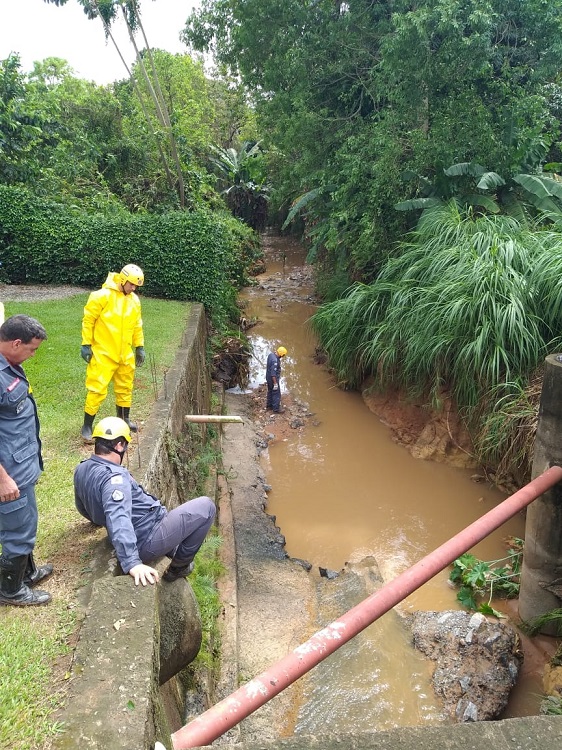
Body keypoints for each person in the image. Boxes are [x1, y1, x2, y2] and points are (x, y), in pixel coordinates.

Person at [74, 417, 216, 585]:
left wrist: (98, 520)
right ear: (119, 445)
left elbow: (82, 507)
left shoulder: (82, 468)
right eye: (125, 445)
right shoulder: (115, 481)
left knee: (183, 526)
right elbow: (118, 517)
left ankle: (175, 550)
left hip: (146, 525)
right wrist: (132, 562)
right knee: (206, 507)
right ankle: (179, 567)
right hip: (147, 536)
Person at [0, 315, 52, 606]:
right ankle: (10, 590)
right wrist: (3, 478)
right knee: (17, 529)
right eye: (32, 349)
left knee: (26, 520)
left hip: (21, 463)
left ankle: (26, 573)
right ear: (16, 342)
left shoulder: (9, 367)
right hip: (9, 472)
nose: (33, 355)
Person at [80, 263, 146, 441]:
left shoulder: (134, 301)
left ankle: (124, 419)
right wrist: (86, 344)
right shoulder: (101, 296)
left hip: (125, 353)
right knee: (97, 388)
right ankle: (87, 425)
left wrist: (139, 346)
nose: (133, 288)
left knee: (125, 387)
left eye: (136, 286)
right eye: (131, 284)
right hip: (104, 352)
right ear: (123, 280)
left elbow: (137, 325)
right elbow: (88, 320)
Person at [266, 345, 288, 413]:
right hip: (273, 379)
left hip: (268, 377)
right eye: (283, 355)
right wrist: (275, 383)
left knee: (270, 391)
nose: (283, 357)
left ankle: (269, 406)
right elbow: (273, 374)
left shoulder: (271, 355)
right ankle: (276, 409)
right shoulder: (275, 361)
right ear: (281, 354)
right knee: (276, 393)